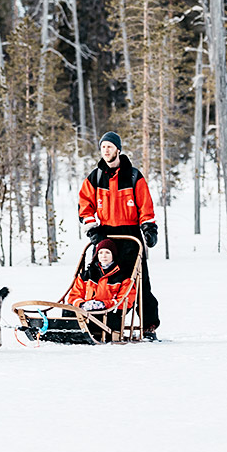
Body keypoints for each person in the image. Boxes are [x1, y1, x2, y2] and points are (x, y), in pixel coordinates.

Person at [77, 131, 160, 337]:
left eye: (110, 146)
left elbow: (145, 205)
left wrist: (149, 228)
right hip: (105, 235)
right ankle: (96, 317)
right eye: (103, 147)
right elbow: (84, 205)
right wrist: (92, 229)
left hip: (130, 234)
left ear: (118, 150)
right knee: (100, 278)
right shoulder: (95, 177)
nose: (106, 150)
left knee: (138, 280)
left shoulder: (133, 175)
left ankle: (148, 325)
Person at [65, 238, 137, 341]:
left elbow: (126, 301)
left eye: (107, 252)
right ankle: (66, 334)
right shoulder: (88, 274)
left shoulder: (123, 277)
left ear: (113, 255)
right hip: (86, 312)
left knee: (104, 317)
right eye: (100, 252)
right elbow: (74, 296)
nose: (103, 256)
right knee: (68, 310)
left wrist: (103, 305)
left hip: (109, 314)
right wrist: (81, 304)